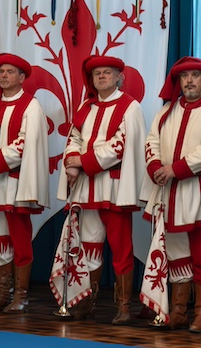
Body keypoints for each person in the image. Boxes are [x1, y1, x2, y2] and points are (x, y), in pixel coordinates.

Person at [55, 55, 145, 323]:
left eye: (107, 73)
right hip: (86, 188)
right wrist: (71, 163)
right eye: (97, 74)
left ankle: (124, 306)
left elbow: (121, 145)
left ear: (119, 77)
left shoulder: (130, 107)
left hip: (114, 188)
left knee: (121, 247)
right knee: (89, 246)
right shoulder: (87, 105)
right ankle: (87, 302)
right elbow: (75, 136)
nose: (102, 77)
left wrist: (82, 161)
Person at [0, 54, 49, 313]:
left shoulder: (31, 106)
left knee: (20, 239)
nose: (4, 76)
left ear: (22, 78)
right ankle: (4, 291)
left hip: (16, 184)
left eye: (10, 72)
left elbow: (25, 144)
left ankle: (21, 295)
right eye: (1, 72)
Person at [142, 56, 201, 329]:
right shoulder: (166, 111)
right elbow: (151, 140)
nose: (189, 80)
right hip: (168, 192)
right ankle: (178, 312)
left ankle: (200, 313)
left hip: (196, 191)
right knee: (176, 251)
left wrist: (176, 169)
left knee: (200, 253)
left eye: (195, 75)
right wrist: (155, 167)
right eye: (184, 76)